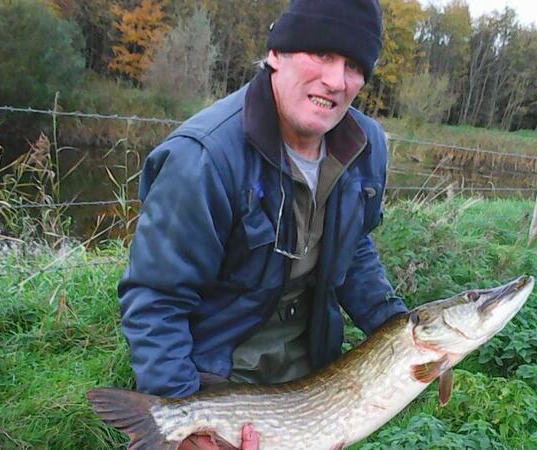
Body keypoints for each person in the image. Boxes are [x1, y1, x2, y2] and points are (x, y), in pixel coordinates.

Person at [118, 0, 407, 448]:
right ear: (277, 54)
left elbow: (356, 248)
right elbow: (155, 298)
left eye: (353, 65)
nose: (335, 80)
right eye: (322, 54)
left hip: (309, 372)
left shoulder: (366, 146)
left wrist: (398, 331)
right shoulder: (204, 158)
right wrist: (183, 413)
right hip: (217, 373)